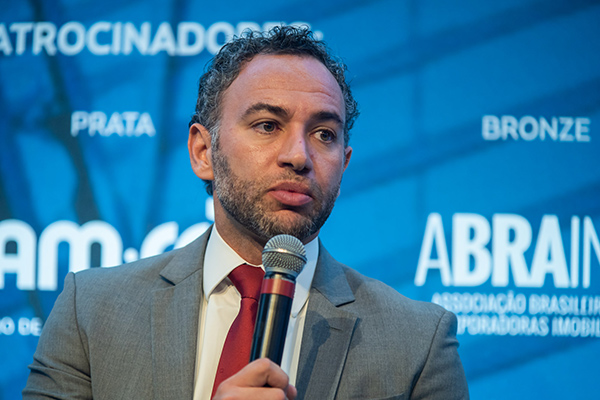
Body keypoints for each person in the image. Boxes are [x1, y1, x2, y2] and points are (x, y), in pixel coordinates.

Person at [23, 26, 469, 399]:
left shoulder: (418, 342)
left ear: (345, 163)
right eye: (267, 125)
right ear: (203, 152)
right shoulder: (91, 311)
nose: (299, 156)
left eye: (324, 134)